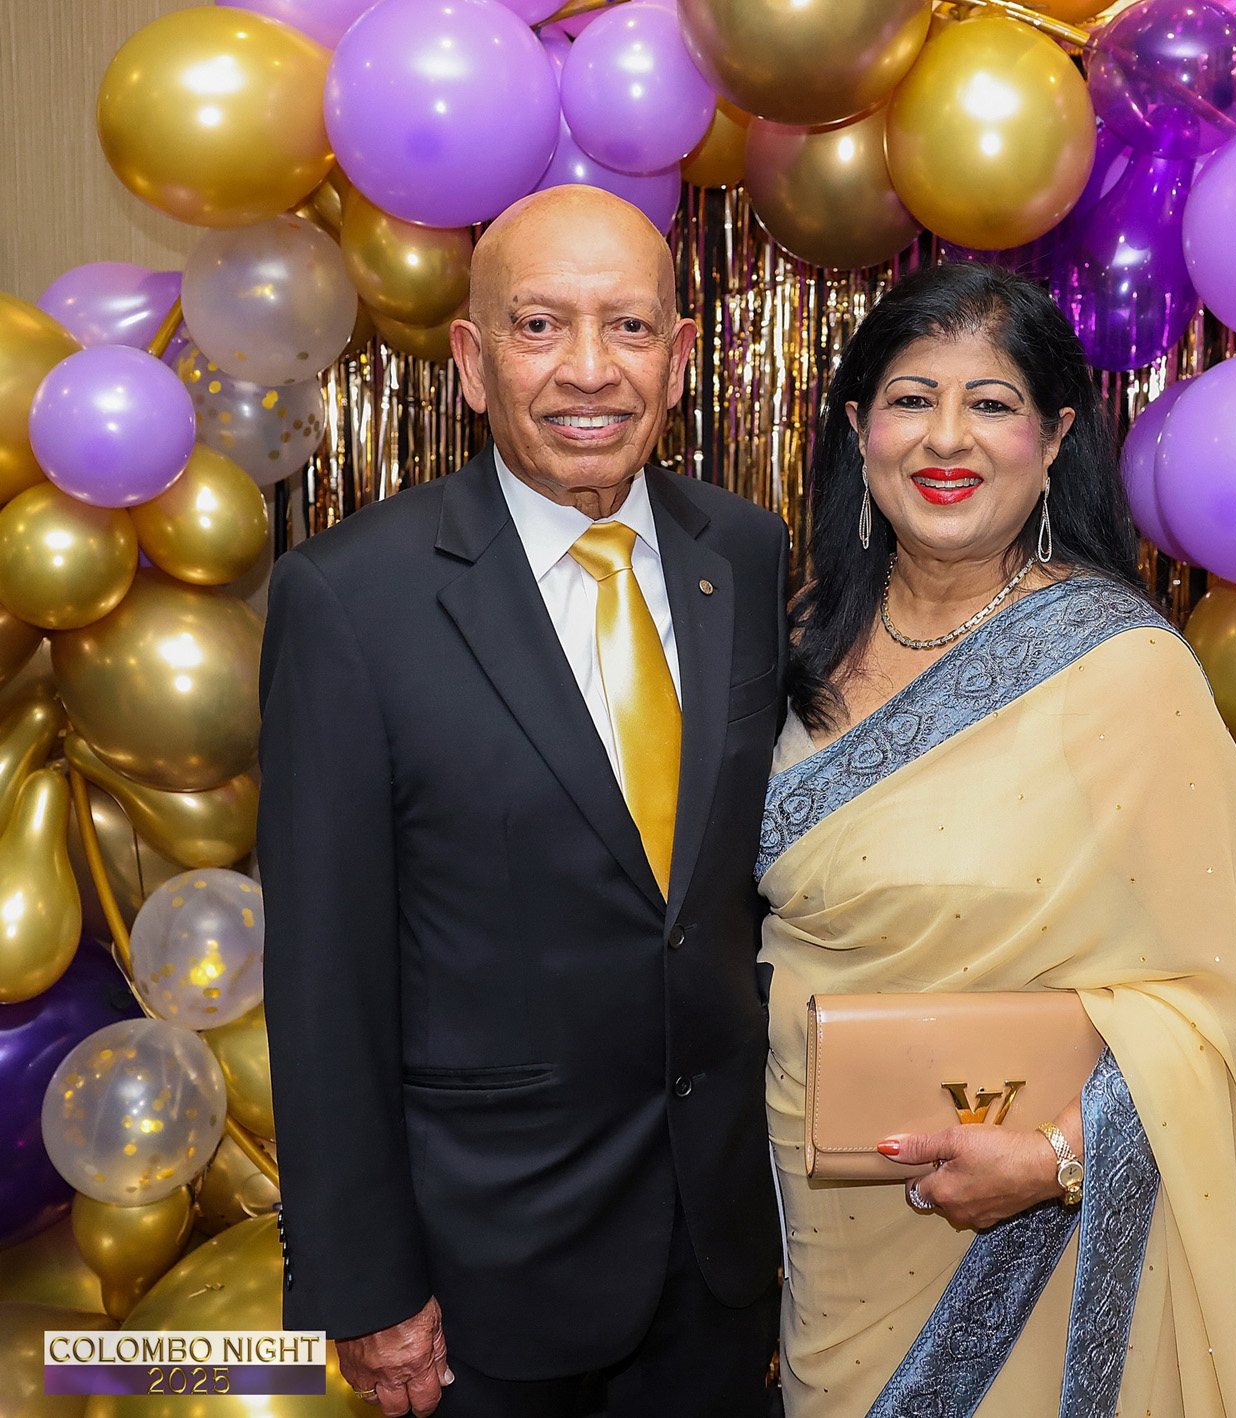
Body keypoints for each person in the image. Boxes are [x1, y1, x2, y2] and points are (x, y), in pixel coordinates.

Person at [259, 186, 787, 1418]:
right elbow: (326, 974)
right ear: (471, 360)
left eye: (630, 326)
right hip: (481, 1272)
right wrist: (363, 1282)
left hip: (722, 1255)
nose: (589, 370)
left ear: (680, 357)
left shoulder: (746, 554)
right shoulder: (351, 598)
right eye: (540, 325)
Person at [757, 262, 1236, 1417]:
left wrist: (1058, 1157)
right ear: (857, 428)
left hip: (1036, 1234)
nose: (946, 437)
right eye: (911, 398)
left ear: (1054, 436)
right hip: (823, 1230)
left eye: (992, 403)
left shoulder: (1126, 670)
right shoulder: (790, 640)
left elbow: (1216, 1009)